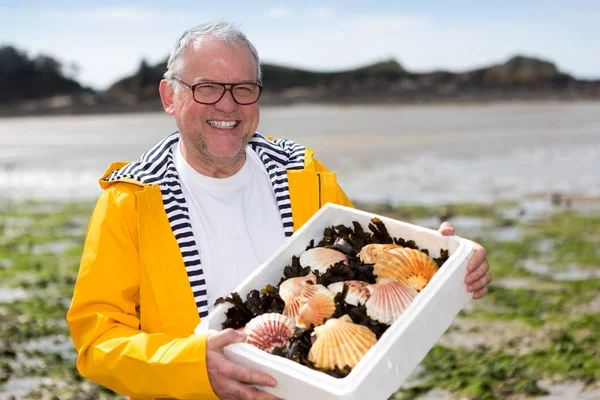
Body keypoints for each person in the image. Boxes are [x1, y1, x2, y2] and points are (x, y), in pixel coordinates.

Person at [66, 21, 492, 400]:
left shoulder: (307, 176)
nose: (228, 105)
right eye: (207, 87)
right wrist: (193, 366)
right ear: (169, 96)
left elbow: (363, 276)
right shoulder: (129, 202)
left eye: (243, 89)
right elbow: (97, 341)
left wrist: (443, 266)